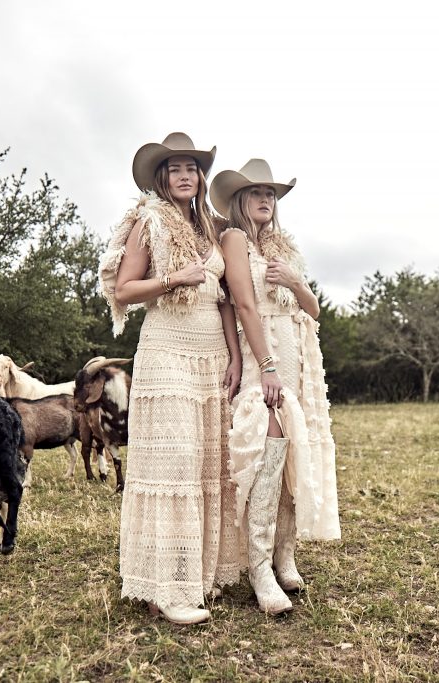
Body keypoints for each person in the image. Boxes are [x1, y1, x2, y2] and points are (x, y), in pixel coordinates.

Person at [99, 133, 243, 625]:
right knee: (174, 464)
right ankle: (166, 589)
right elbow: (123, 289)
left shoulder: (209, 228)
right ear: (162, 177)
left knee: (208, 463)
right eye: (175, 168)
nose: (185, 175)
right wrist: (173, 279)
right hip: (167, 353)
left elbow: (225, 299)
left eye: (192, 168)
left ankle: (198, 576)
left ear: (201, 177)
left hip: (212, 355)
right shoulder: (150, 221)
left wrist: (236, 357)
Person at [213, 158, 341, 614]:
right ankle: (259, 567)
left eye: (271, 193)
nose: (266, 199)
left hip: (296, 356)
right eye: (257, 192)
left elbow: (313, 308)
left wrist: (294, 280)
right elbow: (243, 305)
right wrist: (265, 366)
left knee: (291, 453)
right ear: (240, 199)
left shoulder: (281, 246)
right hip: (260, 356)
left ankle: (285, 554)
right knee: (267, 449)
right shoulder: (234, 239)